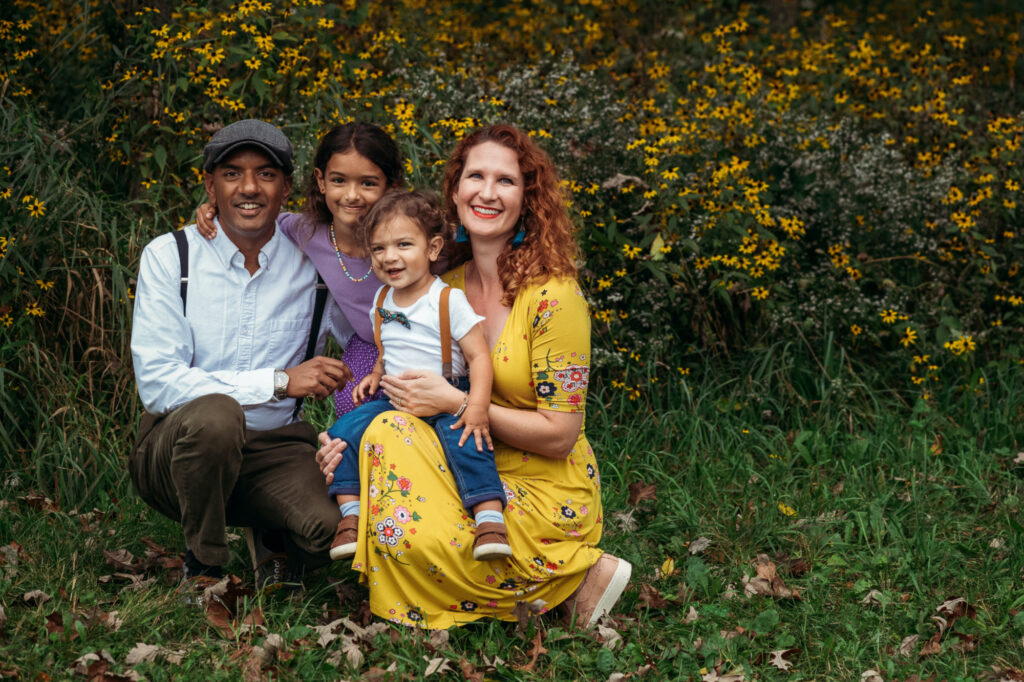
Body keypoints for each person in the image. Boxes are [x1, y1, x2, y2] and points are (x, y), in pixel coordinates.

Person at [316, 124, 632, 629]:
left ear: (528, 199)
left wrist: (456, 403)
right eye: (475, 176)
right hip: (461, 461)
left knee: (397, 476)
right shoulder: (441, 288)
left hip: (539, 484)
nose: (487, 192)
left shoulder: (555, 298)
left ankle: (570, 576)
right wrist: (344, 442)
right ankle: (547, 593)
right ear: (456, 191)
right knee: (379, 434)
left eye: (505, 181)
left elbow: (561, 436)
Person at [129, 119, 355, 591]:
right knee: (217, 417)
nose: (249, 187)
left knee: (332, 533)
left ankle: (270, 529)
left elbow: (370, 326)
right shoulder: (171, 257)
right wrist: (278, 381)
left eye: (266, 174)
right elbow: (157, 383)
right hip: (178, 448)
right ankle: (205, 566)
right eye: (232, 173)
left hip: (274, 448)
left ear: (287, 187)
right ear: (210, 185)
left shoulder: (315, 264)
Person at [324, 190, 511, 564]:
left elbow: (479, 358)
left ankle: (489, 519)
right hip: (392, 396)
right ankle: (350, 516)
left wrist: (475, 406)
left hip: (446, 392)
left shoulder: (447, 299)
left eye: (403, 244)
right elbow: (387, 348)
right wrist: (376, 375)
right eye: (378, 249)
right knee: (342, 433)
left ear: (433, 247)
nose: (389, 257)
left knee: (466, 441)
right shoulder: (381, 300)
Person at [195, 122, 405, 417]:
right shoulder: (305, 231)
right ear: (321, 181)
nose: (352, 195)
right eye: (339, 181)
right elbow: (254, 217)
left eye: (368, 183)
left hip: (424, 339)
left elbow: (452, 245)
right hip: (372, 345)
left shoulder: (410, 236)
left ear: (390, 187)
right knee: (354, 404)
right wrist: (214, 209)